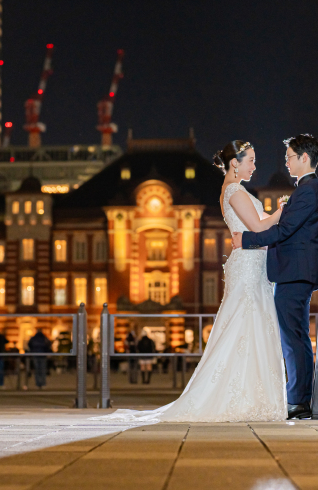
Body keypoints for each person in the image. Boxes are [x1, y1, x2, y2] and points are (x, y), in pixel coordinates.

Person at [93, 139, 290, 423]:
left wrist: (274, 215)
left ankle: (249, 396)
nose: (255, 166)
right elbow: (258, 227)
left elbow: (256, 226)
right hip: (248, 266)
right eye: (251, 160)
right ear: (235, 163)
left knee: (249, 328)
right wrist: (282, 212)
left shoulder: (235, 191)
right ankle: (244, 397)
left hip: (252, 264)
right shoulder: (234, 191)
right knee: (246, 327)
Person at [233, 134, 318, 420]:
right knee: (294, 336)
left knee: (293, 338)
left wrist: (246, 240)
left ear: (304, 158)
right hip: (295, 272)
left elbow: (284, 231)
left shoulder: (309, 190)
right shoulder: (307, 189)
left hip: (295, 272)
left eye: (289, 156)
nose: (285, 162)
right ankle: (298, 398)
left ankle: (299, 401)